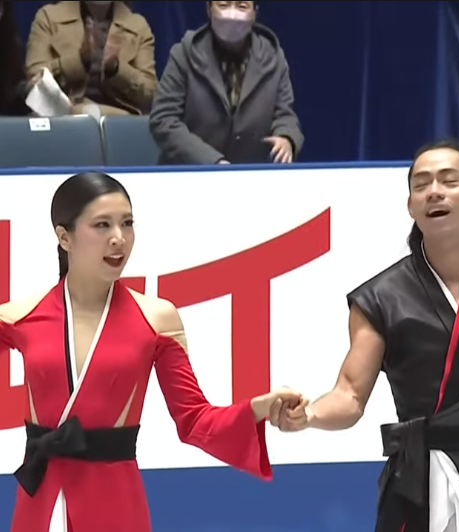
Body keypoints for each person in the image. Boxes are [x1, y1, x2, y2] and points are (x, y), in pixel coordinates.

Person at [272, 139, 459, 532]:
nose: (434, 191)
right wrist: (309, 415)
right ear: (411, 206)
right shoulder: (380, 298)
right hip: (416, 488)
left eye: (448, 181)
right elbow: (350, 395)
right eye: (421, 185)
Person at [0, 171, 304, 532]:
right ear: (64, 237)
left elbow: (194, 420)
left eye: (127, 223)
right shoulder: (18, 317)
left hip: (116, 505)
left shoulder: (157, 318)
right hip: (40, 502)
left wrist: (257, 409)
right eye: (102, 225)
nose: (119, 238)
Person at [149, 0, 304, 165]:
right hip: (192, 172)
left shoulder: (273, 56)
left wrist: (286, 138)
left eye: (242, 6)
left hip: (251, 172)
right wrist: (212, 161)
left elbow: (285, 115)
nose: (232, 15)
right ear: (209, 9)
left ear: (255, 13)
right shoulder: (184, 54)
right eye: (223, 5)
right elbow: (163, 120)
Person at [26, 1, 157, 116]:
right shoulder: (48, 17)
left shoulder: (138, 26)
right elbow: (34, 80)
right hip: (62, 115)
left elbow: (149, 92)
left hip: (118, 122)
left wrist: (116, 68)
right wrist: (79, 60)